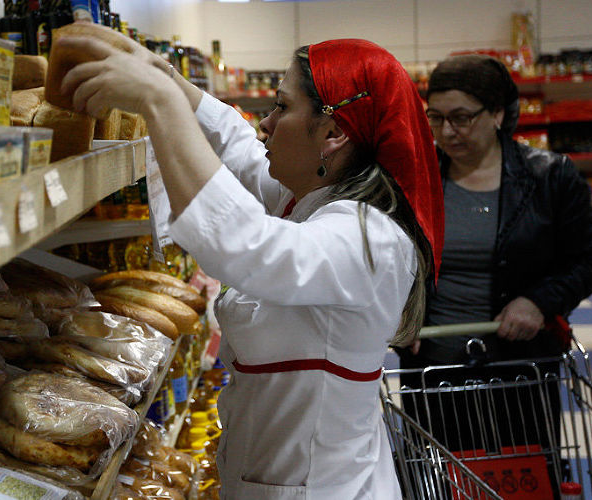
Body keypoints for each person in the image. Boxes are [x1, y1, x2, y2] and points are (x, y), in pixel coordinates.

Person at [59, 34, 443, 499]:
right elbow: (238, 145)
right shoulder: (306, 199)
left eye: (282, 107)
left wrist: (159, 103)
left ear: (333, 133)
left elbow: (244, 245)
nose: (266, 123)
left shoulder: (371, 240)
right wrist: (169, 80)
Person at [398, 53, 592, 475]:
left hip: (519, 370)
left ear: (496, 114)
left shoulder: (550, 177)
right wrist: (401, 309)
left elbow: (590, 259)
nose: (446, 131)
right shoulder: (415, 179)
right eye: (436, 118)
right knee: (440, 479)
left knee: (521, 476)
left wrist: (539, 301)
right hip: (434, 371)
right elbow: (391, 261)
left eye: (461, 118)